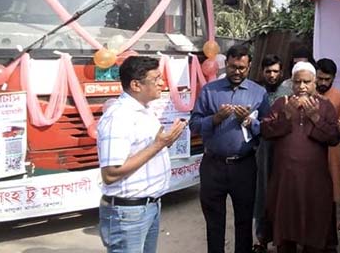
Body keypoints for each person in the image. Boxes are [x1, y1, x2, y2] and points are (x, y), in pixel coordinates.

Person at [97, 56, 187, 253]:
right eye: (156, 79)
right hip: (128, 213)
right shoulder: (119, 117)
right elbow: (111, 173)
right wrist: (159, 144)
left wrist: (165, 142)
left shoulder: (144, 111)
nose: (161, 83)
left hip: (149, 206)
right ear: (136, 85)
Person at [190, 45, 271, 253]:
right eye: (233, 67)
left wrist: (249, 122)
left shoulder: (259, 93)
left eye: (242, 68)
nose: (237, 72)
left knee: (244, 220)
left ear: (250, 66)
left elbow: (267, 129)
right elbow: (194, 125)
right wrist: (215, 119)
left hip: (244, 166)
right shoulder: (210, 91)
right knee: (214, 222)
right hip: (212, 166)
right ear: (226, 64)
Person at [262, 61, 340, 252]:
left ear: (314, 83)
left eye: (307, 82)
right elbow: (265, 131)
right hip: (286, 180)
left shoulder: (325, 106)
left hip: (314, 180)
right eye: (298, 82)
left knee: (314, 227)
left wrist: (315, 118)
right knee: (286, 227)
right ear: (292, 83)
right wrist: (286, 116)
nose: (302, 87)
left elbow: (333, 138)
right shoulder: (282, 103)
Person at [253, 54, 293, 253]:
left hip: (284, 148)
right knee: (262, 193)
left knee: (282, 193)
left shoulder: (288, 90)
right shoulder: (256, 92)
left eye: (275, 71)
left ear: (281, 72)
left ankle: (282, 238)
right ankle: (261, 238)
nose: (272, 75)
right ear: (262, 72)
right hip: (263, 149)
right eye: (268, 71)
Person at [315, 58, 340, 205]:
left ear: (334, 78)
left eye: (327, 79)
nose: (323, 83)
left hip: (332, 149)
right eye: (320, 78)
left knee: (332, 187)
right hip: (311, 146)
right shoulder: (308, 93)